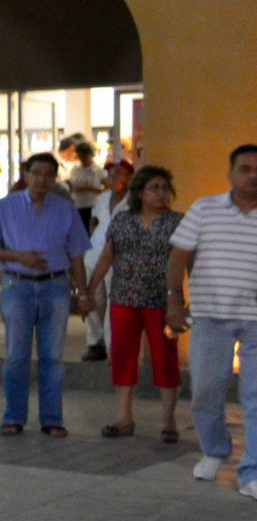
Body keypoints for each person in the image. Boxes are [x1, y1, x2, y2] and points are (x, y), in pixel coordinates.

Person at [167, 143, 257, 499]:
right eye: (245, 169)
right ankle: (215, 449)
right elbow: (179, 257)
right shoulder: (205, 209)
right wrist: (174, 299)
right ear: (231, 173)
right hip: (210, 317)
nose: (252, 177)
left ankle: (250, 471)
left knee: (256, 397)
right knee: (206, 390)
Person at [0, 153, 89, 436]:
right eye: (36, 173)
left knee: (52, 356)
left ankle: (51, 419)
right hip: (18, 286)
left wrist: (83, 292)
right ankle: (14, 417)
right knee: (17, 355)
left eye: (48, 174)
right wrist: (18, 257)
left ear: (54, 178)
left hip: (55, 287)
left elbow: (76, 254)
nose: (42, 179)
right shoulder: (5, 208)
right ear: (25, 174)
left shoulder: (65, 209)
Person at [84, 166, 182, 442]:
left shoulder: (177, 221)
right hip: (124, 297)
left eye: (164, 188)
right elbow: (106, 257)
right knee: (123, 355)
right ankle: (123, 416)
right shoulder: (122, 220)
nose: (161, 193)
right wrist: (90, 290)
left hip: (160, 299)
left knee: (164, 357)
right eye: (154, 188)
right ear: (140, 192)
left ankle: (168, 420)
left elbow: (187, 259)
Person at [79, 161, 133, 362]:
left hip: (119, 257)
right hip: (94, 253)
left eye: (119, 173)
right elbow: (94, 221)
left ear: (129, 177)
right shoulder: (102, 198)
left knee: (113, 300)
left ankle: (113, 346)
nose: (114, 177)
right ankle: (95, 342)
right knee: (93, 297)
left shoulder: (133, 201)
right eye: (111, 173)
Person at [66, 140, 106, 234]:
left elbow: (106, 189)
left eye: (84, 156)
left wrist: (89, 189)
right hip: (78, 204)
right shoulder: (75, 170)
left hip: (93, 204)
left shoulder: (98, 171)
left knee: (91, 230)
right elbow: (71, 185)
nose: (82, 158)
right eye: (80, 156)